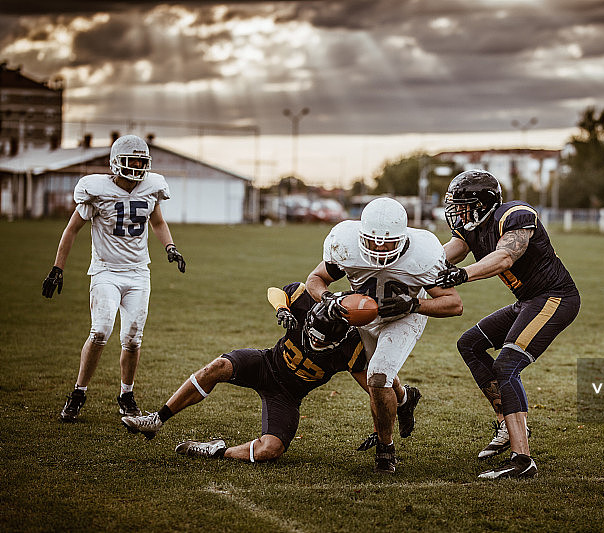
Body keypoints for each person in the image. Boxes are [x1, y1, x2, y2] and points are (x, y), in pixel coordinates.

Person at [122, 281, 419, 462]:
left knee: (270, 450)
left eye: (322, 340)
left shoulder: (351, 347)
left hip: (288, 396)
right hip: (266, 364)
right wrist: (281, 308)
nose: (314, 340)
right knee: (218, 366)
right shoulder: (307, 303)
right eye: (312, 332)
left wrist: (388, 419)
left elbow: (377, 389)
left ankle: (215, 450)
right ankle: (157, 419)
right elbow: (277, 290)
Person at [435, 169, 580, 479]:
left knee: (506, 366)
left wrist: (464, 274)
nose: (457, 212)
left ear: (482, 203)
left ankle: (522, 459)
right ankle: (505, 421)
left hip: (555, 297)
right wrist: (403, 270)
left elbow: (504, 257)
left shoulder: (514, 215)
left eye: (462, 205)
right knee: (469, 344)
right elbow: (442, 257)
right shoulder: (472, 230)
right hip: (527, 301)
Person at [305, 197, 463, 473]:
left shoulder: (424, 254)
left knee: (377, 377)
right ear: (360, 235)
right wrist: (328, 299)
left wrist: (414, 304)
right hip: (364, 317)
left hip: (405, 317)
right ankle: (404, 398)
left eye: (387, 243)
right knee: (380, 377)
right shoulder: (345, 244)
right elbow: (315, 280)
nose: (379, 248)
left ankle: (385, 448)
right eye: (372, 241)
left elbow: (454, 303)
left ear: (402, 240)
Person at [42, 134, 186, 423]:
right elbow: (71, 230)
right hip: (106, 271)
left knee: (133, 337)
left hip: (137, 272)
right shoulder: (96, 191)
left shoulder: (150, 188)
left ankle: (126, 395)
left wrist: (170, 247)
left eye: (141, 161)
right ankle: (78, 393)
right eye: (131, 161)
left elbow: (157, 221)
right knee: (100, 331)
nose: (137, 167)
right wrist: (58, 268)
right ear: (115, 162)